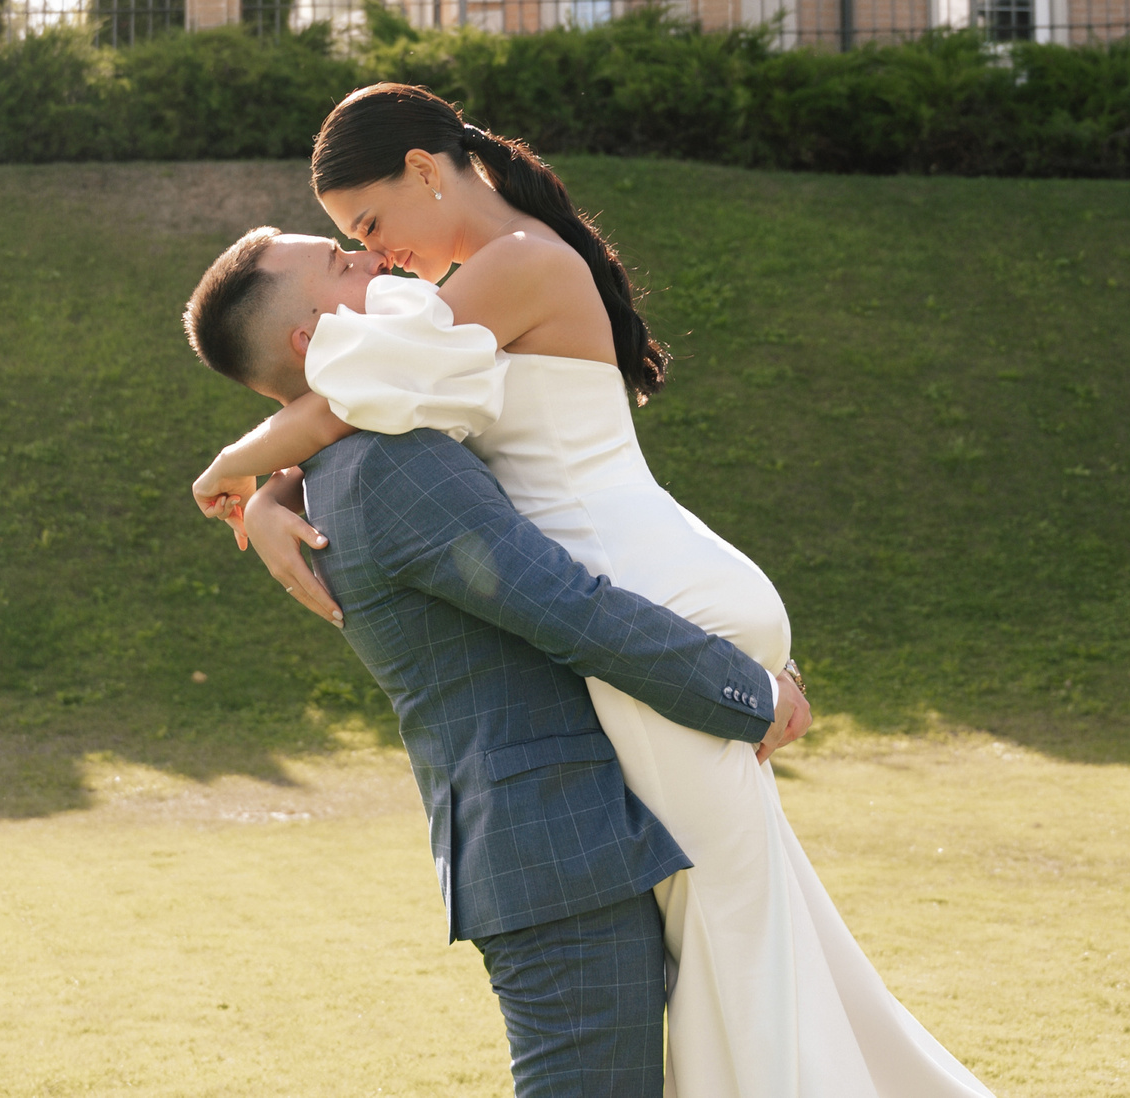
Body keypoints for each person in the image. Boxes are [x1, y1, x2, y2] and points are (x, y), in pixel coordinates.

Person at [189, 83, 995, 1098]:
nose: (374, 254)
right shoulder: (470, 295)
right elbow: (358, 411)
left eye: (368, 226)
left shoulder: (510, 268)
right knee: (750, 938)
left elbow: (348, 403)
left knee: (741, 949)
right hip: (662, 583)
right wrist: (275, 491)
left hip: (649, 594)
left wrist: (239, 468)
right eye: (350, 244)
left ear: (426, 170)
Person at [185, 248, 808, 1098]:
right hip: (556, 852)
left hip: (568, 841)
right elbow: (571, 610)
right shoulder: (393, 467)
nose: (368, 256)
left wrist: (267, 490)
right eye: (338, 260)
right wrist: (751, 694)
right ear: (314, 335)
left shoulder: (365, 455)